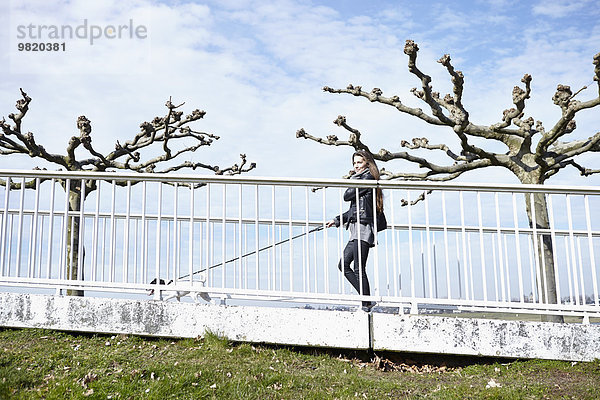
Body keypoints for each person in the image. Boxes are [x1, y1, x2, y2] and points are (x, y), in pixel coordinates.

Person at [326, 150, 384, 311]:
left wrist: (353, 179)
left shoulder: (368, 178)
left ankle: (366, 302)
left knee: (359, 268)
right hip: (356, 227)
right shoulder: (360, 180)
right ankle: (367, 299)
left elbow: (347, 195)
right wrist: (337, 220)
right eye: (354, 163)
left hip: (364, 227)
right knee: (343, 265)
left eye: (359, 162)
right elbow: (354, 209)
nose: (356, 166)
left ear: (367, 162)